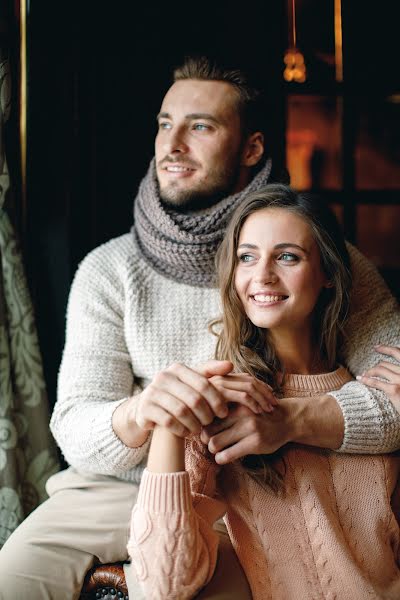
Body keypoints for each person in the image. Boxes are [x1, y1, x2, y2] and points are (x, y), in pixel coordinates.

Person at [0, 56, 399, 600]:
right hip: (116, 487)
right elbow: (74, 425)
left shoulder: (321, 262)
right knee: (12, 577)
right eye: (165, 124)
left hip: (248, 484)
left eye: (200, 126)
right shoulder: (108, 270)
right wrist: (143, 411)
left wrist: (292, 420)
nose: (173, 143)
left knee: (166, 588)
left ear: (252, 148)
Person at [128, 184, 400, 600]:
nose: (262, 275)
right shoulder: (219, 403)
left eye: (287, 256)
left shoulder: (376, 401)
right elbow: (163, 586)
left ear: (328, 273)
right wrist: (168, 425)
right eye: (247, 257)